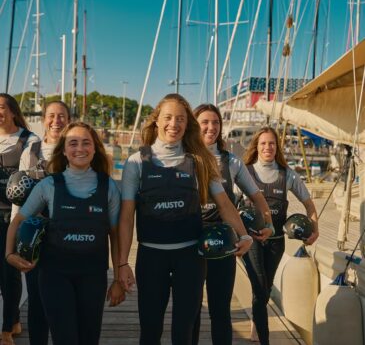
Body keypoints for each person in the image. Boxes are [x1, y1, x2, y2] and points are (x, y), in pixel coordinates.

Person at [118, 93, 253, 345]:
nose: (174, 124)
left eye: (180, 119)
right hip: (150, 257)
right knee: (150, 332)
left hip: (190, 259)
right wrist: (122, 263)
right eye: (168, 118)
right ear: (156, 121)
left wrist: (244, 234)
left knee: (184, 333)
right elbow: (126, 217)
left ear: (187, 124)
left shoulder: (200, 161)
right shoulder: (137, 162)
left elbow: (224, 203)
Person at [6, 122, 125, 345]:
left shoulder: (108, 186)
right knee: (65, 339)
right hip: (54, 275)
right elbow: (18, 220)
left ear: (95, 148)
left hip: (94, 275)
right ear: (64, 150)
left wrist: (118, 278)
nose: (80, 148)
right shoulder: (49, 185)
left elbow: (115, 234)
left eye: (86, 142)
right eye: (73, 143)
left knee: (89, 339)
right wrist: (9, 254)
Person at [192, 104, 274, 345]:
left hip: (223, 243)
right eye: (204, 122)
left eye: (215, 122)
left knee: (220, 311)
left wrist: (268, 223)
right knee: (191, 311)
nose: (211, 127)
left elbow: (257, 196)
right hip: (191, 241)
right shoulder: (186, 157)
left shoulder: (232, 162)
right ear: (194, 125)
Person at [243, 126, 319, 345]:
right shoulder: (245, 172)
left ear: (277, 147)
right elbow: (228, 204)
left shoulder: (287, 174)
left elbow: (309, 204)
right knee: (259, 285)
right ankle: (264, 339)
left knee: (265, 288)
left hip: (276, 242)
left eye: (272, 143)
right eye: (264, 143)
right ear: (256, 147)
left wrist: (315, 230)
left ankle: (256, 321)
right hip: (252, 241)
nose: (268, 147)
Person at [10, 101, 70, 345]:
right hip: (35, 235)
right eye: (51, 116)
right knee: (36, 299)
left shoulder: (74, 149)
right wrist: (16, 234)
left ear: (69, 119)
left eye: (62, 116)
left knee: (62, 300)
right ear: (44, 119)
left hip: (66, 237)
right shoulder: (31, 150)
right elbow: (19, 197)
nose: (56, 121)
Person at [0, 93, 39, 345]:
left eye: (2, 107)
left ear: (13, 111)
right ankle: (14, 319)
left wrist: (16, 224)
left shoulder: (29, 141)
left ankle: (5, 329)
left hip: (10, 216)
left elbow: (25, 185)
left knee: (8, 273)